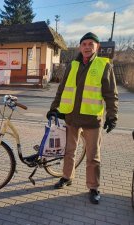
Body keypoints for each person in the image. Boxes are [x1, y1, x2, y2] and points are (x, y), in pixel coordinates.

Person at [47, 32, 118, 204]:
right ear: (80, 47)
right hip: (71, 117)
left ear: (97, 47)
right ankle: (66, 177)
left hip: (92, 120)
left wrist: (112, 115)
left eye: (90, 44)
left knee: (93, 156)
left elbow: (111, 94)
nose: (87, 47)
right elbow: (62, 89)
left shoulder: (104, 65)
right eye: (84, 44)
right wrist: (54, 108)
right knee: (69, 151)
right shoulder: (73, 65)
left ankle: (93, 187)